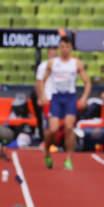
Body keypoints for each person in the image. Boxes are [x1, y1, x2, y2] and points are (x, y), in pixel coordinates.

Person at [37, 36, 91, 171]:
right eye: (62, 47)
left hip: (70, 98)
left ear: (71, 48)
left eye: (67, 47)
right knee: (53, 130)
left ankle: (68, 159)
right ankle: (47, 152)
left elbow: (87, 82)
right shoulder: (52, 63)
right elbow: (42, 80)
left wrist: (84, 98)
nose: (65, 50)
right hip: (56, 98)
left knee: (69, 127)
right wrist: (42, 95)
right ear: (59, 48)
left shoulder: (76, 63)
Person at [34, 47, 58, 119]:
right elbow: (38, 83)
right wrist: (40, 97)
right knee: (49, 121)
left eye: (54, 54)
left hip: (58, 97)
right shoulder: (42, 66)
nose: (53, 55)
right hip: (47, 98)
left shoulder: (61, 66)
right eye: (51, 54)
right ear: (48, 54)